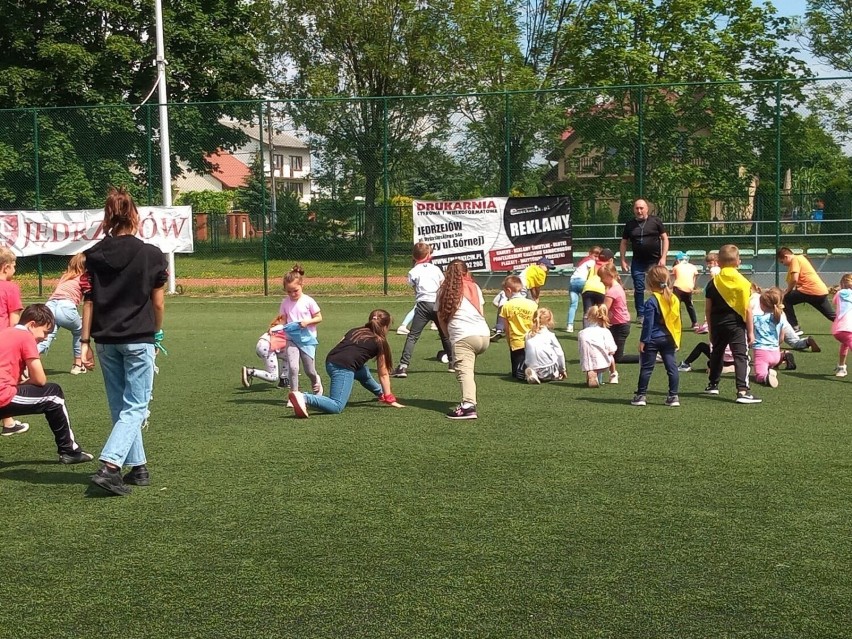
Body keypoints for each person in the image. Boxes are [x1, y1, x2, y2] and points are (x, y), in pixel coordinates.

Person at [81, 186, 168, 495]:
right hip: (138, 337)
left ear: (108, 217)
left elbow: (88, 300)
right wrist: (157, 332)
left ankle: (139, 467)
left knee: (122, 407)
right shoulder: (152, 254)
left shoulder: (92, 255)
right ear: (134, 215)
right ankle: (110, 466)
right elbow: (158, 303)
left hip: (105, 340)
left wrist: (84, 343)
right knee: (136, 406)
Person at [0, 304, 93, 463]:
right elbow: (40, 379)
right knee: (53, 394)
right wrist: (23, 384)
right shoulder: (25, 336)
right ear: (32, 324)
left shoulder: (6, 332)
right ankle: (69, 450)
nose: (45, 337)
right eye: (45, 332)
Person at [288, 310, 404, 417]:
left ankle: (380, 393)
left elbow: (341, 344)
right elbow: (383, 374)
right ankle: (304, 397)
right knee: (337, 405)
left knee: (363, 373)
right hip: (342, 367)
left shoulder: (355, 330)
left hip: (331, 361)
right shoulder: (380, 342)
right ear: (385, 327)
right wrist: (389, 397)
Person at [703, 244, 761, 404]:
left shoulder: (712, 283)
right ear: (738, 262)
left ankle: (713, 385)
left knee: (717, 353)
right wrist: (750, 332)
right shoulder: (744, 283)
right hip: (736, 325)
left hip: (717, 324)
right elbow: (747, 310)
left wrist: (710, 327)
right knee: (741, 356)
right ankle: (742, 391)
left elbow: (707, 309)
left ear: (718, 262)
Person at [435, 260, 491, 418]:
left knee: (464, 372)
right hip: (483, 334)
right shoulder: (475, 286)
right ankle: (469, 401)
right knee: (469, 370)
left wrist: (449, 336)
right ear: (467, 271)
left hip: (463, 335)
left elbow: (440, 318)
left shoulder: (443, 290)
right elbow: (481, 311)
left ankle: (468, 405)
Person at [391, 242, 453, 378]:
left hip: (423, 305)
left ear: (413, 256)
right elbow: (443, 285)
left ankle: (403, 367)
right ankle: (452, 362)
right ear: (429, 254)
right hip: (436, 304)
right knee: (444, 334)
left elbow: (414, 287)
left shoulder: (413, 271)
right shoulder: (436, 269)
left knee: (413, 336)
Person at [631, 266, 681, 406]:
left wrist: (643, 341)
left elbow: (648, 324)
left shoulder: (651, 301)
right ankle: (673, 396)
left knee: (647, 368)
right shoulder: (674, 299)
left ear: (649, 283)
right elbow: (677, 321)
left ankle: (641, 396)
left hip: (653, 338)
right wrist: (677, 339)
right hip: (669, 337)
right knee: (672, 368)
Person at [619, 199, 669, 322]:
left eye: (641, 208)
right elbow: (624, 243)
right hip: (638, 262)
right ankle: (640, 314)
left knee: (660, 286)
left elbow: (665, 239)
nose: (639, 211)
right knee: (639, 287)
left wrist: (663, 257)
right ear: (634, 209)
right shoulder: (630, 224)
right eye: (637, 208)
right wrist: (623, 260)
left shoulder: (655, 221)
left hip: (655, 260)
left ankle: (662, 311)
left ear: (647, 209)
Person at [38, 253, 88, 374]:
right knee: (80, 331)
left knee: (46, 337)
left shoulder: (65, 276)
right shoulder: (84, 277)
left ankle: (26, 363)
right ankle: (78, 364)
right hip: (66, 307)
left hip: (49, 306)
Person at [280, 264, 323, 397]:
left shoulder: (308, 301)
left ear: (301, 285)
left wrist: (307, 322)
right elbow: (283, 319)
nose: (292, 294)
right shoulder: (285, 303)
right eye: (289, 291)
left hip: (307, 339)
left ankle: (316, 383)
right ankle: (294, 394)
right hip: (291, 339)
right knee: (293, 368)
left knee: (309, 370)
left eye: (295, 291)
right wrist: (277, 328)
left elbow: (319, 317)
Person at [0, 247, 27, 435]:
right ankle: (8, 421)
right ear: (6, 267)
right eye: (14, 266)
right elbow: (15, 322)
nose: (15, 270)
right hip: (4, 342)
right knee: (6, 384)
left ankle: (8, 422)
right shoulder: (11, 288)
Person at [777, 247, 835, 332]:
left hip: (808, 291)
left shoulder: (795, 260)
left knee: (785, 299)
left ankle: (795, 327)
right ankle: (847, 325)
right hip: (820, 291)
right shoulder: (801, 258)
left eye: (782, 261)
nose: (783, 264)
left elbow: (794, 279)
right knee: (832, 316)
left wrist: (787, 291)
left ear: (786, 256)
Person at [599, 262, 639, 381]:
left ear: (609, 275)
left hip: (619, 325)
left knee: (618, 357)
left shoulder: (612, 292)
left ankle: (649, 357)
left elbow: (604, 310)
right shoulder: (617, 288)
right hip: (620, 323)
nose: (601, 281)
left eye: (602, 278)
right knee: (612, 351)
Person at [498, 275, 538, 380]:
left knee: (516, 374)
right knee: (531, 363)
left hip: (516, 342)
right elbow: (536, 323)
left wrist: (508, 341)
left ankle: (523, 374)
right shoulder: (532, 304)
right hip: (531, 340)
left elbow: (506, 328)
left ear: (508, 290)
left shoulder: (507, 306)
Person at [241, 315, 290, 388]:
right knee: (273, 377)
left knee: (288, 356)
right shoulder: (287, 327)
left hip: (263, 345)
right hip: (267, 348)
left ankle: (284, 380)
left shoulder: (280, 324)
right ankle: (250, 372)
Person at [523, 307, 566, 384]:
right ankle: (554, 374)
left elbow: (526, 351)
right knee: (554, 353)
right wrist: (562, 370)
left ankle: (534, 373)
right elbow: (560, 353)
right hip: (547, 368)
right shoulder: (550, 335)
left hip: (532, 366)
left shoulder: (527, 335)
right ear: (549, 320)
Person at [578, 304, 617, 388]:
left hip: (586, 361)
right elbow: (612, 349)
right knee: (610, 356)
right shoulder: (605, 332)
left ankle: (592, 374)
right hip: (603, 362)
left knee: (591, 358)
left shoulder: (582, 333)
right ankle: (613, 374)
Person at [566, 246, 601, 332]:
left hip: (572, 281)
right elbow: (592, 273)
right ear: (590, 254)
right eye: (595, 256)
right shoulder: (591, 262)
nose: (596, 258)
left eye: (598, 257)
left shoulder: (583, 261)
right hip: (582, 282)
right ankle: (591, 324)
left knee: (573, 305)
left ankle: (569, 325)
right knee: (590, 303)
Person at [580, 248, 613, 326]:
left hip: (588, 288)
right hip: (601, 289)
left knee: (587, 313)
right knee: (601, 312)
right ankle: (601, 330)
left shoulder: (593, 264)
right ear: (610, 259)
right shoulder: (608, 267)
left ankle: (586, 331)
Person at [831, 273, 852, 378]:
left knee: (845, 345)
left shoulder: (839, 294)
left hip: (838, 329)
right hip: (849, 328)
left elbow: (835, 302)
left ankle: (841, 367)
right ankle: (841, 367)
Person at [694, 252, 720, 335]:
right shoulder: (720, 269)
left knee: (709, 307)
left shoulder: (714, 269)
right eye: (708, 263)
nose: (708, 265)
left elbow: (713, 278)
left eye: (710, 263)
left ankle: (706, 325)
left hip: (715, 291)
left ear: (716, 262)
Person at [671, 251, 698, 328]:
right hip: (689, 288)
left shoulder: (676, 267)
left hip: (678, 288)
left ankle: (678, 323)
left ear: (678, 260)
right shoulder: (693, 267)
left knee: (676, 305)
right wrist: (692, 287)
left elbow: (674, 278)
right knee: (689, 305)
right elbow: (694, 278)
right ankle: (695, 322)